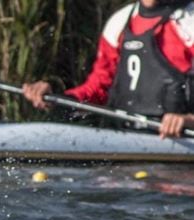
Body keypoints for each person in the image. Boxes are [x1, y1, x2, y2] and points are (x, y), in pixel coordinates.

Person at [23, 0, 194, 138]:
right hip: (125, 140)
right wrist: (55, 97)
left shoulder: (189, 21)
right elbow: (98, 88)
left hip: (181, 144)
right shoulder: (120, 21)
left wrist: (188, 120)